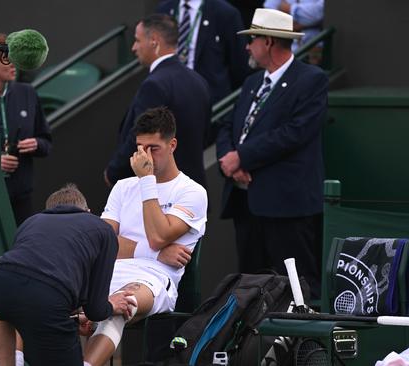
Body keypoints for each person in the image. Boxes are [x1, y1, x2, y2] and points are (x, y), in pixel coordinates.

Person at [216, 8, 328, 298]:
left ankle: (301, 344)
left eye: (251, 39)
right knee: (251, 287)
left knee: (297, 288)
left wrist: (244, 156)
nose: (246, 46)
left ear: (268, 42)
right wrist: (231, 160)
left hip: (287, 207)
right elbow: (229, 125)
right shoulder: (253, 82)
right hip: (247, 202)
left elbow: (295, 132)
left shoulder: (310, 80)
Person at [84, 107, 207, 366]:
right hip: (108, 271)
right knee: (46, 300)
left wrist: (146, 180)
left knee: (119, 306)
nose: (146, 156)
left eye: (154, 148)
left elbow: (158, 236)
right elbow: (102, 244)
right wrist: (156, 253)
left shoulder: (192, 192)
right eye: (140, 148)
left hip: (154, 280)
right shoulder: (122, 187)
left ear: (172, 144)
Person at [0, 184, 136, 366]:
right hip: (44, 299)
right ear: (88, 211)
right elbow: (96, 310)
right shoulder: (102, 230)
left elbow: (21, 279)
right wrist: (111, 305)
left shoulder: (31, 222)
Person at [104, 14, 211, 189]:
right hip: (192, 190)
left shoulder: (154, 84)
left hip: (160, 191)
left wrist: (114, 172)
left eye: (137, 40)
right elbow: (207, 135)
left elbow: (140, 138)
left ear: (154, 41)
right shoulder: (199, 81)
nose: (133, 47)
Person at [0, 31, 51, 226]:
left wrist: (37, 143)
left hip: (22, 196)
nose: (15, 64)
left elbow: (47, 142)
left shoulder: (28, 93)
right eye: (8, 59)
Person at [156, 0, 251, 104]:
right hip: (168, 95)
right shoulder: (165, 8)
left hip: (207, 102)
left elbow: (239, 66)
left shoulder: (225, 12)